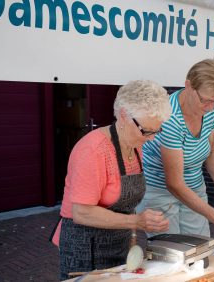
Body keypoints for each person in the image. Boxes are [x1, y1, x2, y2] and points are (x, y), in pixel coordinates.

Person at [52, 80, 172, 280]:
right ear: (124, 116)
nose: (151, 138)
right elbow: (82, 212)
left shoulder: (135, 144)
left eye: (156, 130)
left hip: (120, 243)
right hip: (85, 248)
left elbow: (126, 205)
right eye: (146, 131)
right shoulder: (92, 151)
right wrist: (138, 221)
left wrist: (133, 237)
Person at [137, 58, 214, 237]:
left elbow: (211, 149)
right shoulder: (169, 117)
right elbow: (174, 183)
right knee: (173, 253)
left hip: (194, 188)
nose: (210, 108)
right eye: (205, 100)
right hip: (161, 192)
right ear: (188, 85)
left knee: (200, 249)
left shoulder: (212, 108)